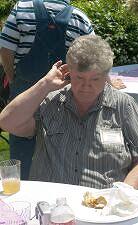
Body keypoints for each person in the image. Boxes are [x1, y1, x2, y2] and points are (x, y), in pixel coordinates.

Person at [0, 35, 138, 190]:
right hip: (51, 203)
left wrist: (123, 194)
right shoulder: (51, 102)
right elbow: (7, 122)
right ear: (68, 71)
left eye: (95, 79)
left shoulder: (124, 105)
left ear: (107, 76)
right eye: (79, 78)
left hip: (103, 205)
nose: (86, 86)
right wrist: (45, 83)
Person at [0, 0, 94, 179]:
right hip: (62, 98)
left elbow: (6, 50)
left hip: (24, 95)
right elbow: (93, 60)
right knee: (59, 148)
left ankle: (22, 195)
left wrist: (12, 79)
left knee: (20, 148)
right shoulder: (80, 18)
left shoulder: (21, 9)